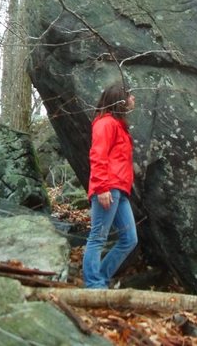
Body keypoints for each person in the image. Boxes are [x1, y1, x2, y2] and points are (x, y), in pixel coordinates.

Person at [82, 83, 138, 289]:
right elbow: (97, 156)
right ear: (120, 99)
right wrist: (102, 188)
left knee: (129, 239)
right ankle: (92, 285)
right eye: (130, 95)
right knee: (98, 236)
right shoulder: (105, 123)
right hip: (108, 188)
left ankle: (101, 278)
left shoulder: (118, 125)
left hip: (121, 190)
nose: (133, 99)